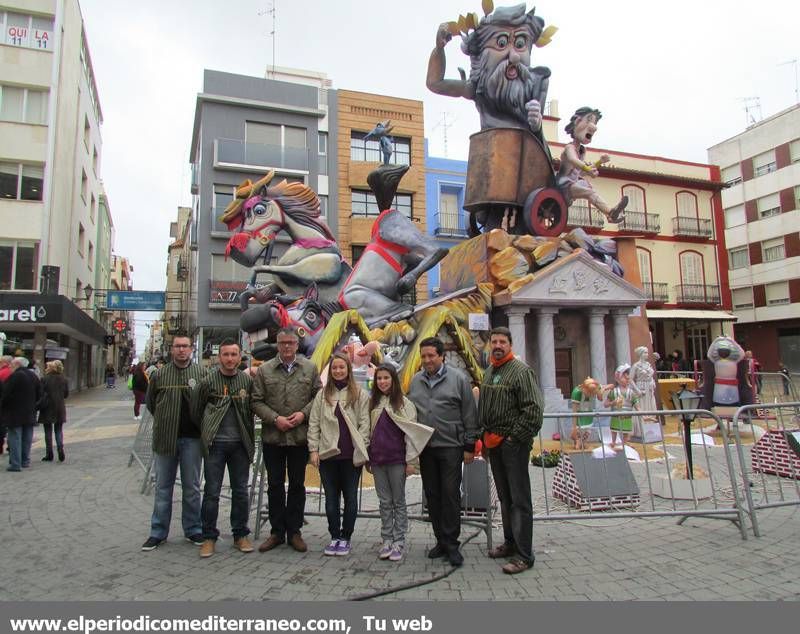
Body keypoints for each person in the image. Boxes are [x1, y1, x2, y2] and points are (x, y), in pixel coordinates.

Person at [427, 3, 552, 139]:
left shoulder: (535, 84)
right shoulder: (480, 87)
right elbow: (435, 83)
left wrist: (537, 125)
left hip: (523, 155)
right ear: (482, 54)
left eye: (520, 45)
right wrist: (439, 49)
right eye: (501, 44)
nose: (514, 57)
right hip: (491, 152)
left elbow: (538, 148)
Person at [408, 336, 479, 567]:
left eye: (431, 356)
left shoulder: (458, 380)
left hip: (451, 446)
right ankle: (440, 540)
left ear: (442, 356)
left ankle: (452, 544)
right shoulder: (416, 381)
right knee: (433, 495)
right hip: (426, 447)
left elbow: (470, 414)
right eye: (424, 356)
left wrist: (469, 445)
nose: (427, 360)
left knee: (450, 494)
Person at [477, 327, 543, 575]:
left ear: (510, 344)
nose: (497, 345)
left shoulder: (521, 372)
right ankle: (510, 542)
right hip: (493, 443)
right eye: (494, 341)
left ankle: (525, 555)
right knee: (505, 498)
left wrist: (515, 439)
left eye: (502, 341)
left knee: (519, 500)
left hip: (512, 444)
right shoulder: (490, 370)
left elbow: (533, 410)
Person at [251, 327, 322, 554]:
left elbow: (318, 397)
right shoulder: (264, 370)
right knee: (274, 486)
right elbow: (256, 401)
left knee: (297, 486)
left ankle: (295, 531)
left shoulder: (309, 369)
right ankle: (276, 531)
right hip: (274, 438)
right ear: (278, 345)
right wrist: (275, 418)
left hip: (299, 439)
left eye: (291, 343)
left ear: (297, 344)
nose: (287, 347)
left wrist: (303, 414)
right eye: (283, 343)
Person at [141, 334, 206, 551]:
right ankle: (158, 532)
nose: (181, 350)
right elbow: (151, 403)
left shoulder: (201, 373)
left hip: (193, 440)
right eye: (177, 346)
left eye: (185, 346)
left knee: (192, 488)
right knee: (162, 488)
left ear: (191, 349)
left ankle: (194, 529)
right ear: (172, 350)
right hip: (165, 440)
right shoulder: (160, 375)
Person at [192, 338, 255, 558]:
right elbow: (196, 410)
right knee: (212, 492)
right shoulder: (208, 382)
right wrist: (208, 430)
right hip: (215, 445)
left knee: (240, 491)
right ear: (219, 357)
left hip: (240, 446)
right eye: (226, 354)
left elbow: (252, 408)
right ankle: (208, 537)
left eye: (234, 354)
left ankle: (240, 534)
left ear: (239, 357)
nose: (230, 359)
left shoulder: (247, 382)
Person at [368, 364, 433, 562]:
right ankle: (386, 538)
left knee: (398, 501)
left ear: (393, 380)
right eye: (379, 378)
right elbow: (368, 431)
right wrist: (367, 457)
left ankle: (399, 539)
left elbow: (411, 434)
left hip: (397, 460)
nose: (382, 382)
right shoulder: (373, 403)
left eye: (386, 378)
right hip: (378, 460)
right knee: (384, 502)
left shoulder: (404, 404)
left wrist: (411, 461)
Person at [308, 353, 370, 557]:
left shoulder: (359, 394)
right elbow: (314, 423)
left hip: (350, 456)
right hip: (328, 454)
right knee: (331, 499)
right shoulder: (322, 395)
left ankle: (346, 537)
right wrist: (313, 450)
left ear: (348, 369)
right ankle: (334, 535)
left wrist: (361, 448)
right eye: (334, 368)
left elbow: (364, 424)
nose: (338, 371)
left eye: (342, 367)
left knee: (351, 498)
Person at [557, 107, 627, 224]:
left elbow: (580, 172)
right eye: (589, 121)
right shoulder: (570, 147)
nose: (593, 127)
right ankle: (610, 213)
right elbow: (573, 160)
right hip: (563, 184)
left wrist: (600, 162)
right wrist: (587, 168)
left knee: (589, 189)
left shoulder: (582, 150)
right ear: (578, 121)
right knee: (589, 192)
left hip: (573, 183)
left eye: (594, 123)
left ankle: (610, 214)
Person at [1, 357, 42, 472]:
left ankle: (15, 464)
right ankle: (25, 461)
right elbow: (40, 394)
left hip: (15, 413)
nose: (10, 367)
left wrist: (4, 406)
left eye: (12, 365)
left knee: (15, 438)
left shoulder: (15, 376)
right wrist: (34, 405)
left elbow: (6, 394)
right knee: (27, 438)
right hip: (30, 413)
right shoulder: (33, 376)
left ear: (17, 364)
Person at [39, 360, 69, 462]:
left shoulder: (44, 379)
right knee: (58, 430)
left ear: (51, 368)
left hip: (47, 407)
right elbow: (66, 394)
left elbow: (40, 393)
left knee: (48, 431)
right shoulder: (63, 379)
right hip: (59, 407)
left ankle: (49, 453)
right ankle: (60, 449)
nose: (46, 368)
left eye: (47, 366)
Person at [605, 364, 640, 448]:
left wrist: (643, 415)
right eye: (624, 377)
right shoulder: (614, 391)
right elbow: (605, 404)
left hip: (627, 416)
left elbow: (637, 406)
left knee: (626, 430)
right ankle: (613, 441)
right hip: (616, 415)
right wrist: (612, 402)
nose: (627, 379)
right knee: (614, 429)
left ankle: (625, 442)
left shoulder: (631, 393)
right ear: (618, 378)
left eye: (628, 377)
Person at [569, 377, 608, 450]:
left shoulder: (595, 387)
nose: (591, 395)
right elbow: (574, 411)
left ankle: (583, 442)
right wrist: (573, 427)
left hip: (589, 413)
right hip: (579, 413)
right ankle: (577, 441)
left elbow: (610, 386)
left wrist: (602, 390)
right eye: (590, 393)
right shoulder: (577, 393)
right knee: (578, 429)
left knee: (587, 430)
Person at [630, 346, 657, 421]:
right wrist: (637, 390)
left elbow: (651, 376)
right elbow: (630, 379)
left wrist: (653, 382)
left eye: (647, 352)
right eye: (645, 352)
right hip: (641, 387)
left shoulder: (649, 364)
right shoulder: (636, 365)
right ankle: (642, 423)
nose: (647, 354)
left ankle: (651, 424)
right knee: (642, 405)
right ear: (641, 354)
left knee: (651, 405)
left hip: (649, 388)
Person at [0, 355, 12, 455]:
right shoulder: (14, 372)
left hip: (4, 403)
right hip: (14, 404)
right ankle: (11, 446)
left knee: (2, 426)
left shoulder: (2, 373)